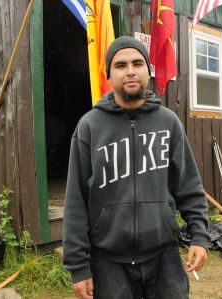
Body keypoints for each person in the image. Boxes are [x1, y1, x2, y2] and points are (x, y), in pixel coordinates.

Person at [63, 36, 209, 298]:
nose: (130, 71)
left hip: (164, 256)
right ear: (109, 74)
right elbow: (75, 201)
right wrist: (78, 266)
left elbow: (189, 185)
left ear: (148, 71)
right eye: (120, 65)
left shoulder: (169, 123)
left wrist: (199, 236)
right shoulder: (89, 127)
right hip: (109, 263)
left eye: (137, 63)